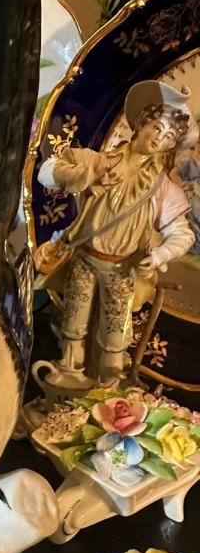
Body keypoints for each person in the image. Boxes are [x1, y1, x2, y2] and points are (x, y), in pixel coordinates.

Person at [35, 81, 195, 385]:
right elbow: (46, 173)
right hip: (84, 259)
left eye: (168, 137)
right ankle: (68, 379)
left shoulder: (162, 188)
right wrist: (87, 174)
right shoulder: (99, 161)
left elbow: (182, 234)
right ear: (141, 124)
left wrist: (160, 254)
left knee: (115, 333)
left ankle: (109, 385)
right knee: (73, 322)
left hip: (121, 269)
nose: (159, 138)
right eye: (156, 128)